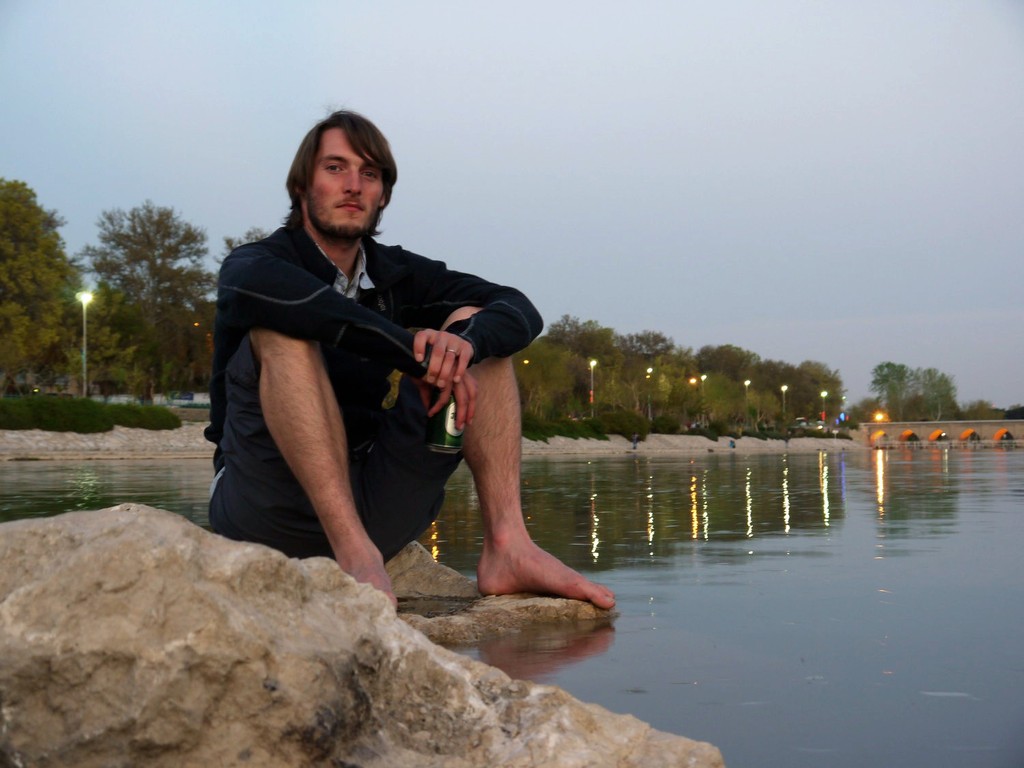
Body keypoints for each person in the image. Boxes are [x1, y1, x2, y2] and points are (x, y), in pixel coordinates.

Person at [206, 110, 614, 611]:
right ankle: (355, 557)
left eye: (369, 173)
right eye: (335, 168)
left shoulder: (395, 273)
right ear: (301, 186)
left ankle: (508, 547)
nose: (353, 185)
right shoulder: (257, 264)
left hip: (378, 501)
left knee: (475, 333)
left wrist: (461, 346)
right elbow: (296, 304)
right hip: (264, 506)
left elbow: (519, 310)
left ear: (383, 194)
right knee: (281, 329)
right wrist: (414, 354)